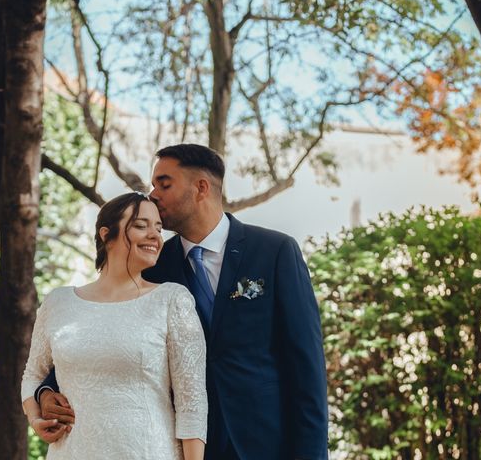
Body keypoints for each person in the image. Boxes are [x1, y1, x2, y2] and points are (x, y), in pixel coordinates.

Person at [36, 144, 329, 459]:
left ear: (201, 188)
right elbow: (105, 329)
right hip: (180, 444)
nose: (152, 195)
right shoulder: (154, 266)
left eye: (164, 184)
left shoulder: (274, 252)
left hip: (264, 443)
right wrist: (47, 390)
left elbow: (306, 367)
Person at [21, 192, 208, 460]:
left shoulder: (172, 300)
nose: (155, 236)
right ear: (106, 235)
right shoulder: (58, 302)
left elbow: (191, 402)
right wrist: (35, 416)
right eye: (141, 226)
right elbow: (33, 374)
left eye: (158, 228)